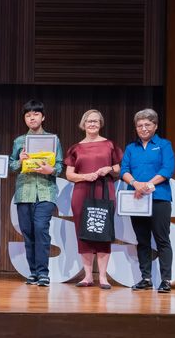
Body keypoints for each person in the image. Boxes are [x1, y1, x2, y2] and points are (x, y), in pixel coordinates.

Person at [64, 109, 122, 290]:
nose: (92, 124)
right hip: (82, 192)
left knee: (102, 232)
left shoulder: (109, 145)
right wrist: (86, 176)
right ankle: (88, 276)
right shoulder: (75, 148)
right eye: (89, 121)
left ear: (100, 124)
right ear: (83, 124)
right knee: (84, 234)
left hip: (104, 190)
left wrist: (109, 169)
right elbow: (69, 175)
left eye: (96, 121)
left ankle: (103, 277)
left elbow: (119, 168)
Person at [8, 99, 63, 287]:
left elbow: (60, 165)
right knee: (28, 232)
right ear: (25, 119)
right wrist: (20, 161)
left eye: (35, 114)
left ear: (43, 117)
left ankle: (43, 273)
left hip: (46, 191)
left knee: (41, 229)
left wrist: (52, 170)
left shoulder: (53, 139)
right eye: (28, 115)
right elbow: (11, 165)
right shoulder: (19, 141)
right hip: (24, 192)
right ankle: (33, 272)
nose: (32, 117)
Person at [120, 108, 175, 293]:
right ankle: (146, 278)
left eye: (147, 124)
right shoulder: (130, 148)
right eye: (139, 125)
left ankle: (166, 280)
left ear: (155, 126)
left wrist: (147, 185)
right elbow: (123, 170)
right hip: (136, 200)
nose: (143, 128)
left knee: (162, 240)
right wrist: (135, 184)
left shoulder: (164, 145)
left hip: (159, 198)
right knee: (142, 240)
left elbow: (167, 170)